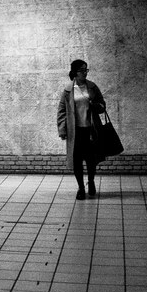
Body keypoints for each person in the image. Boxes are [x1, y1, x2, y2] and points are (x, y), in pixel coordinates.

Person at [57, 59, 106, 199]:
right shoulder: (68, 90)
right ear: (74, 72)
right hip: (75, 131)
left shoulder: (92, 87)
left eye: (86, 70)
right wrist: (62, 129)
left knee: (91, 160)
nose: (85, 73)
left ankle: (91, 181)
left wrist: (95, 104)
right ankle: (80, 188)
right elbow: (61, 111)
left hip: (90, 130)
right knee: (77, 160)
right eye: (82, 70)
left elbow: (102, 105)